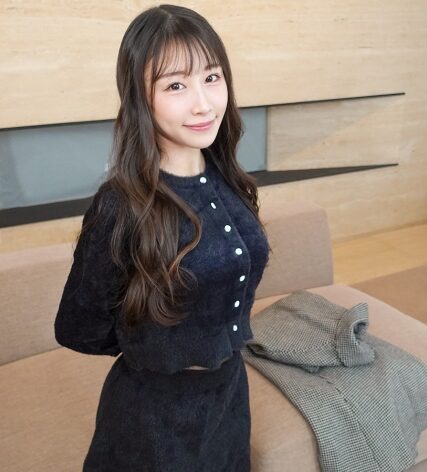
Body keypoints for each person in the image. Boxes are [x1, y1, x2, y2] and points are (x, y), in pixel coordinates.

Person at [54, 4, 272, 471]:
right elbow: (78, 328)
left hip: (230, 395)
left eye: (211, 77)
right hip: (153, 418)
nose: (204, 103)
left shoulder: (229, 178)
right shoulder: (121, 205)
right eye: (176, 85)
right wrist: (153, 346)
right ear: (140, 97)